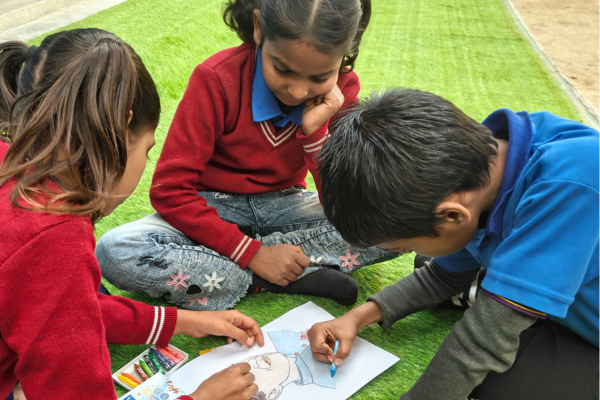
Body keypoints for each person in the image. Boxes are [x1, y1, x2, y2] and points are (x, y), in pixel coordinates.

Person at [0, 29, 264, 400]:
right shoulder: (52, 235)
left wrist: (186, 321)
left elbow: (67, 308)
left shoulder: (12, 165)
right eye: (147, 148)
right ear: (120, 130)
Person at [95, 0, 397, 311]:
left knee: (394, 222)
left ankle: (254, 268)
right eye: (282, 69)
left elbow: (343, 205)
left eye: (319, 77)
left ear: (347, 50)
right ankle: (275, 274)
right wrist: (253, 254)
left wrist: (315, 134)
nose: (297, 91)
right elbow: (170, 190)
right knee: (115, 250)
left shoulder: (344, 89)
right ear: (258, 27)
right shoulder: (215, 78)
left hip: (285, 207)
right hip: (211, 209)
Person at [307, 88, 599, 400]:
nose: (407, 252)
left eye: (404, 247)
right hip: (566, 300)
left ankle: (507, 295)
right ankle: (506, 293)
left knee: (495, 386)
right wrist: (357, 318)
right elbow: (442, 275)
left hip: (587, 332)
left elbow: (482, 342)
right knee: (435, 261)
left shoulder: (569, 183)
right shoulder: (472, 168)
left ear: (452, 215)